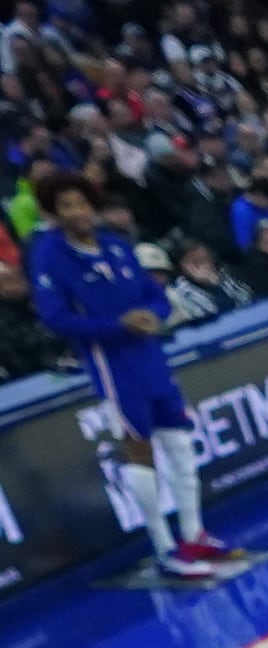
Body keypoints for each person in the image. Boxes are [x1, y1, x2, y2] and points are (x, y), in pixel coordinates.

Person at [26, 169, 232, 580]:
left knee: (180, 443)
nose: (77, 211)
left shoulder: (116, 246)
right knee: (140, 449)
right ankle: (164, 548)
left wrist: (154, 315)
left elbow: (155, 296)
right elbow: (54, 317)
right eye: (66, 206)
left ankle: (194, 533)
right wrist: (118, 326)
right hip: (112, 364)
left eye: (81, 203)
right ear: (53, 213)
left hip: (150, 356)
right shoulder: (49, 255)